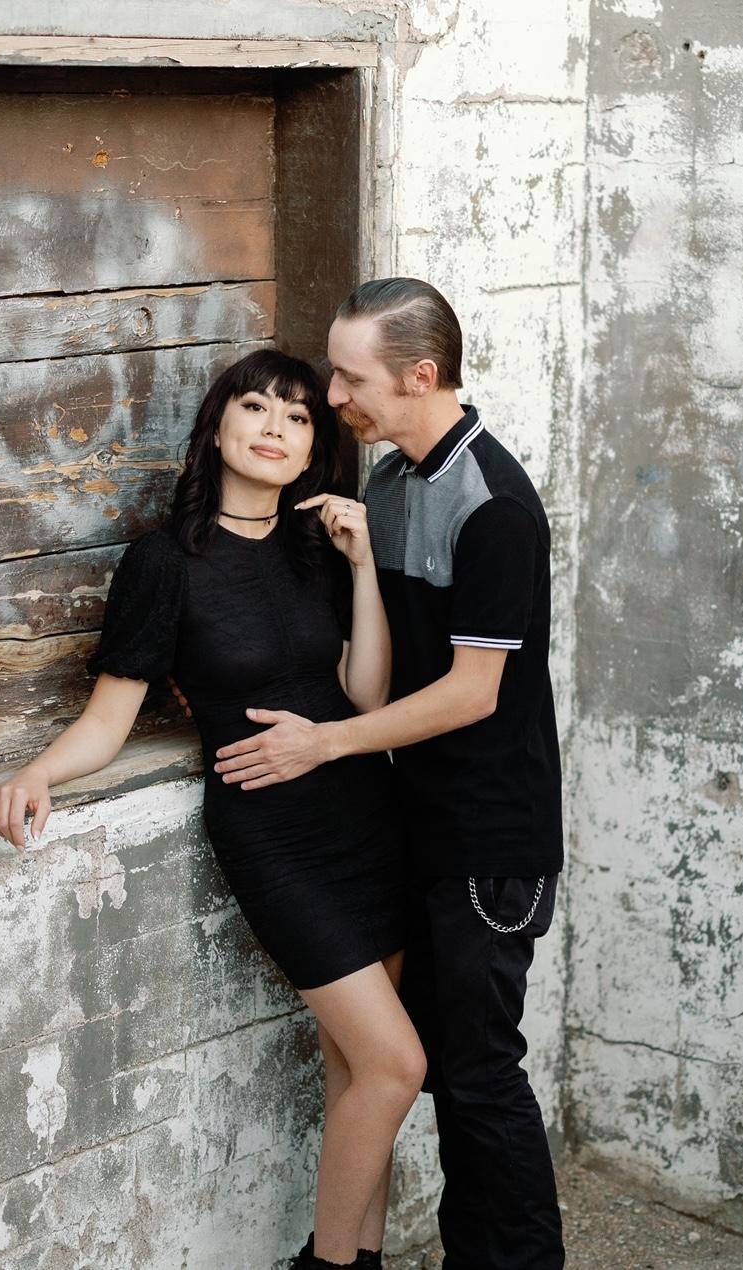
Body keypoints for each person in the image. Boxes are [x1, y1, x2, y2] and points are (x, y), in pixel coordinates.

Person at [0, 349, 426, 1270]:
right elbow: (108, 720)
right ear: (217, 426)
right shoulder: (165, 561)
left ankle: (359, 1258)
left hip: (368, 819)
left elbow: (368, 696)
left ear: (315, 445)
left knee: (357, 1076)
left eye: (298, 416)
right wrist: (35, 775)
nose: (275, 428)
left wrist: (365, 566)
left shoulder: (321, 545)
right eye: (255, 406)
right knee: (397, 1066)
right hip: (275, 837)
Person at [212, 281, 565, 1269]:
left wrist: (324, 745)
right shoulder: (390, 487)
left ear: (420, 376)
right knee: (449, 1073)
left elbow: (470, 694)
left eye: (349, 378)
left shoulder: (494, 506)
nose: (331, 398)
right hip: (415, 821)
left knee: (480, 1075)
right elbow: (376, 670)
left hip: (490, 840)